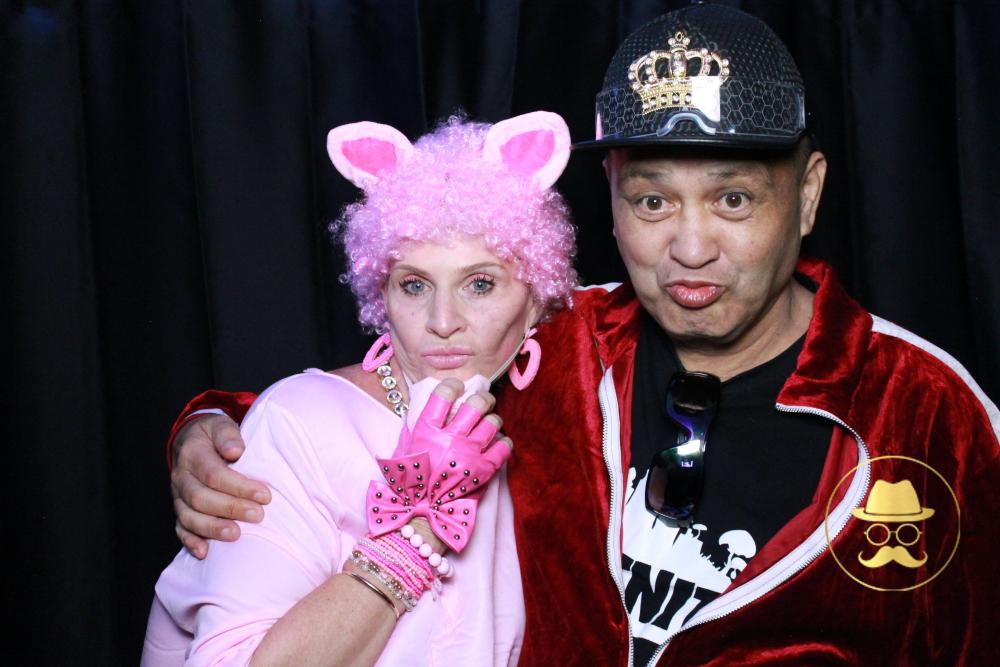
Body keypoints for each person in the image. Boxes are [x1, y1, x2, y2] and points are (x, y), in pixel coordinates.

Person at [166, 5, 1000, 665]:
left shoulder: (931, 412)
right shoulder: (555, 345)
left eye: (733, 199)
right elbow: (386, 388)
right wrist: (215, 428)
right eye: (652, 200)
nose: (691, 246)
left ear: (808, 194)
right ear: (610, 195)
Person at [142, 111, 578, 665]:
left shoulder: (550, 420)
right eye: (414, 285)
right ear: (381, 294)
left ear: (537, 295)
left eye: (480, 283)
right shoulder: (301, 424)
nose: (443, 321)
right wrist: (419, 530)